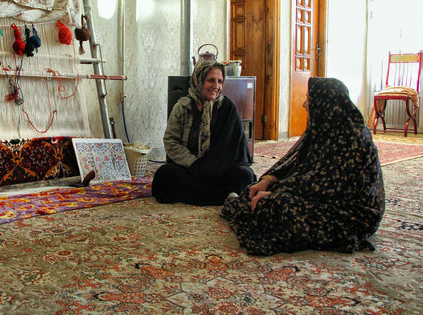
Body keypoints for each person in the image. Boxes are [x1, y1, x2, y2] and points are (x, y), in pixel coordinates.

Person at [221, 77, 385, 256]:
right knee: (253, 191)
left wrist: (277, 193)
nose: (304, 104)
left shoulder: (353, 140)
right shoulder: (324, 127)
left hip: (347, 212)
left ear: (326, 103)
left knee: (277, 205)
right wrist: (269, 180)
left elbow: (326, 187)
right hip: (316, 195)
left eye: (309, 99)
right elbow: (297, 166)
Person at [151, 60, 256, 205]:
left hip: (221, 171)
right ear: (199, 81)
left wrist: (214, 167)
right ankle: (223, 196)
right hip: (192, 169)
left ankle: (203, 196)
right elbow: (171, 142)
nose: (216, 86)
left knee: (245, 175)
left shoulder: (227, 107)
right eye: (211, 80)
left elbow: (233, 148)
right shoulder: (183, 107)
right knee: (164, 175)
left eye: (220, 81)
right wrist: (194, 164)